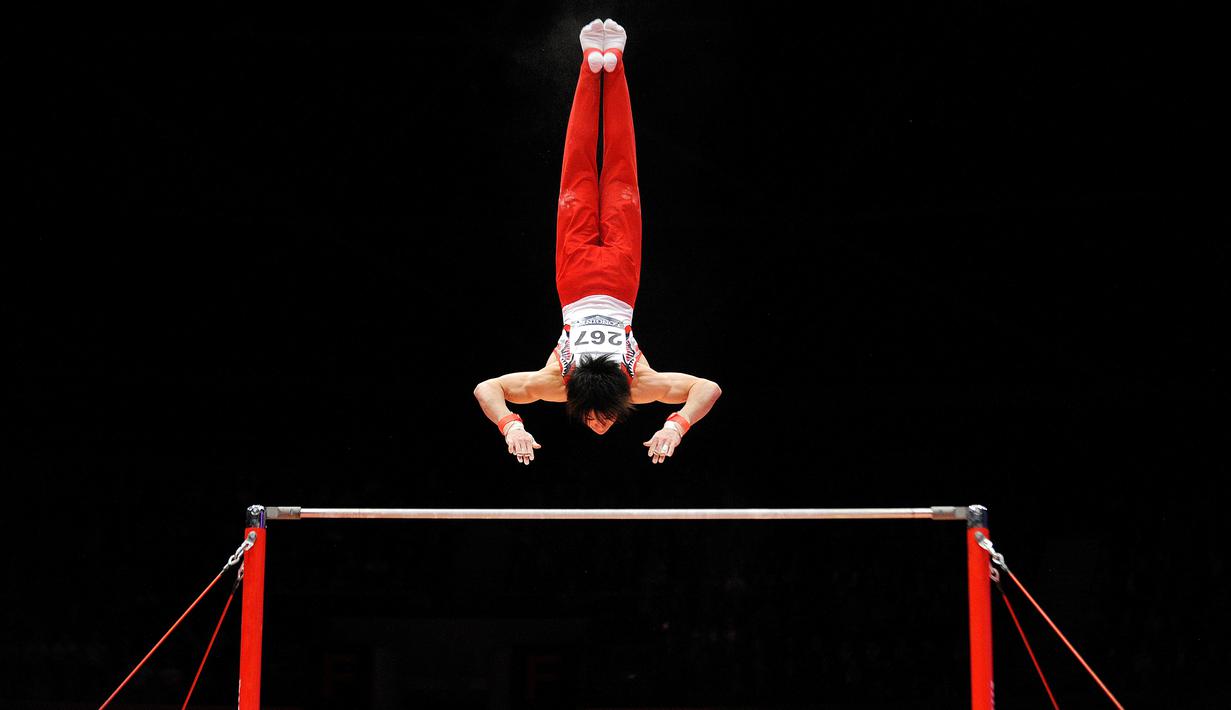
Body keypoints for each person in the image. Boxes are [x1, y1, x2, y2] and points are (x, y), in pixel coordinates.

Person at [474, 19, 722, 465]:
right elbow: (709, 388)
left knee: (585, 172)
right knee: (616, 173)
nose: (600, 424)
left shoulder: (558, 381)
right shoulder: (635, 383)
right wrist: (674, 425)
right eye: (604, 419)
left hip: (590, 276)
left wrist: (510, 424)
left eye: (593, 419)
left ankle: (595, 65)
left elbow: (485, 389)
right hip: (600, 277)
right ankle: (609, 65)